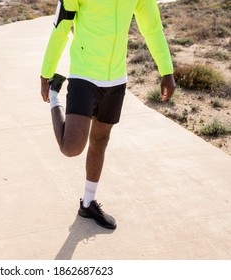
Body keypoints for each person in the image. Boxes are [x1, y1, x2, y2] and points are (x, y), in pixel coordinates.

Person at [40, 0, 176, 229]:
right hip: (84, 74)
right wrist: (46, 72)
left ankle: (88, 203)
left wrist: (166, 70)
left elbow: (152, 28)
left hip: (116, 79)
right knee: (71, 147)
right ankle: (55, 94)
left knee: (100, 140)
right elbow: (61, 26)